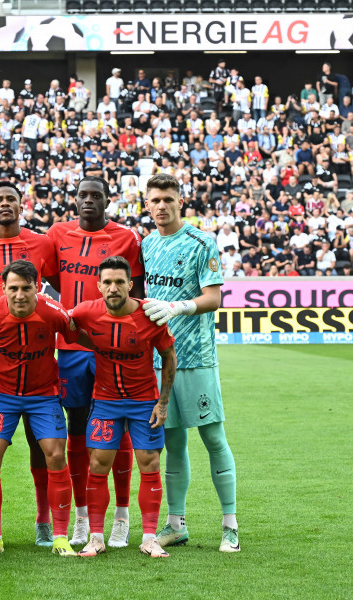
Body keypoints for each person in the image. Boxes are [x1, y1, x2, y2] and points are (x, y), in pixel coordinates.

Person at [141, 173, 239, 553]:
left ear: (180, 201)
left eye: (168, 198)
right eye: (155, 200)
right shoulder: (147, 244)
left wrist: (177, 307)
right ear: (146, 205)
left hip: (196, 358)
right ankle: (175, 524)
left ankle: (230, 524)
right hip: (158, 361)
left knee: (214, 438)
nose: (161, 206)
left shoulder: (202, 241)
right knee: (172, 442)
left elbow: (214, 298)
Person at [46, 175, 144, 548]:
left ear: (107, 200)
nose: (88, 200)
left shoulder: (127, 237)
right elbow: (56, 279)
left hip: (114, 346)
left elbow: (137, 289)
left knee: (117, 426)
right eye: (82, 195)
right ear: (75, 199)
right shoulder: (58, 235)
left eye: (95, 196)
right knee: (76, 429)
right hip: (72, 348)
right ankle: (83, 518)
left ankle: (121, 516)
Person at [0, 259, 93, 557]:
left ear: (37, 287)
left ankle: (60, 536)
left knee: (55, 455)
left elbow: (77, 335)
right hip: (2, 396)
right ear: (3, 289)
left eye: (27, 288)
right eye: (13, 288)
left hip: (43, 395)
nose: (20, 295)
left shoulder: (53, 311)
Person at [0, 182, 59, 548]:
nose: (5, 204)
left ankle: (44, 520)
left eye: (11, 200)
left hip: (36, 355)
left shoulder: (42, 244)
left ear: (22, 206)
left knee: (42, 442)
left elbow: (61, 289)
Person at [70, 255, 177, 559]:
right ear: (98, 286)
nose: (113, 288)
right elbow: (67, 327)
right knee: (97, 464)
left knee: (150, 464)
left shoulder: (150, 315)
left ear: (131, 284)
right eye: (107, 282)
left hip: (145, 402)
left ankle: (149, 538)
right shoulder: (86, 312)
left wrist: (163, 402)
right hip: (105, 402)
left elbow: (169, 357)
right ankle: (96, 537)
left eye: (120, 282)